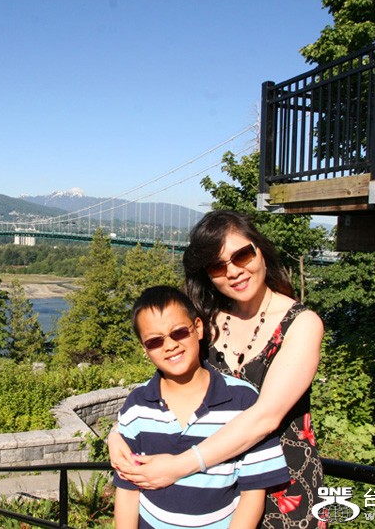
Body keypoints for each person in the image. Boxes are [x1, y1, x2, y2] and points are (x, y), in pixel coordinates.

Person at [109, 210, 325, 528]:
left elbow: (265, 418)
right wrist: (117, 434)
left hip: (282, 487)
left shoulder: (301, 324)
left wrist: (178, 466)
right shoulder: (208, 320)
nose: (233, 271)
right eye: (218, 266)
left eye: (241, 255)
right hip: (214, 489)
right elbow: (172, 381)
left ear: (260, 250)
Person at [114, 285, 290, 528]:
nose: (170, 345)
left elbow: (252, 494)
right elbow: (127, 490)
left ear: (198, 328)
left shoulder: (242, 401)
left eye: (178, 332)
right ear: (145, 349)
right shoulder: (137, 405)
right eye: (155, 341)